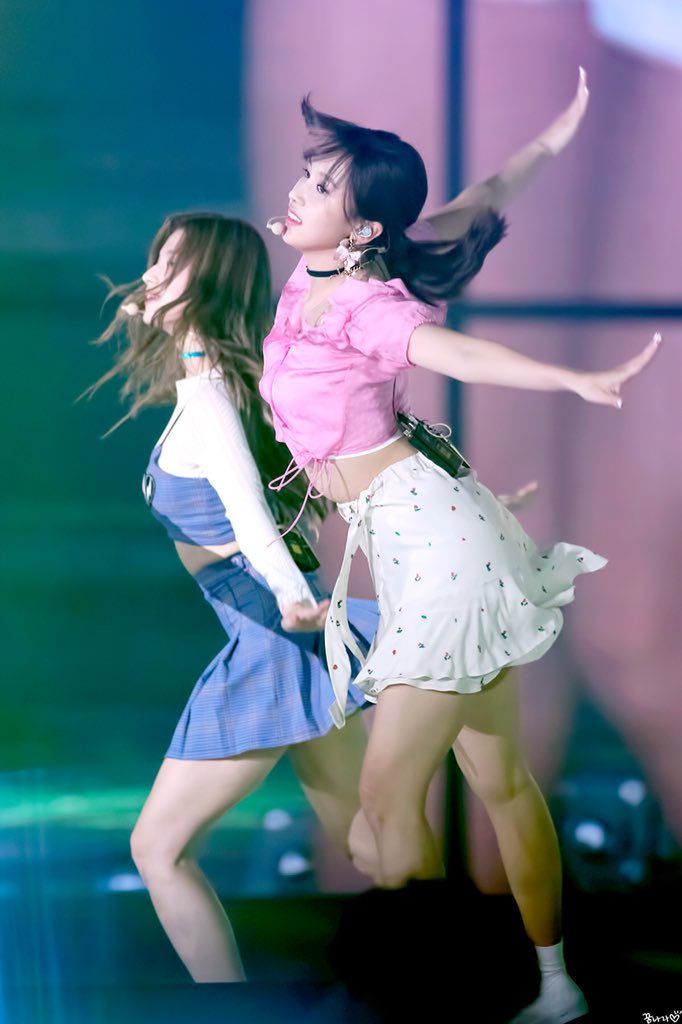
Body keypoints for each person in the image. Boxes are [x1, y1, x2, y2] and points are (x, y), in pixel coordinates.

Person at [259, 70, 661, 1023]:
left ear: (361, 230)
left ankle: (425, 992)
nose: (299, 192)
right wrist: (549, 141)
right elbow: (479, 203)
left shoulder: (370, 308)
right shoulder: (319, 277)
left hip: (439, 555)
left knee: (387, 816)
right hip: (425, 545)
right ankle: (555, 988)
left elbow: (458, 354)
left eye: (320, 187)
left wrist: (572, 379)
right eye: (309, 176)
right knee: (498, 785)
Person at [88, 213, 378, 982]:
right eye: (155, 258)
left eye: (172, 262)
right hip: (299, 640)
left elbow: (250, 514)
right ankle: (498, 977)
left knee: (157, 850)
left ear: (212, 280)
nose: (152, 273)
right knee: (373, 849)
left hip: (275, 640)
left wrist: (288, 596)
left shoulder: (215, 392)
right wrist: (161, 311)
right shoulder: (215, 379)